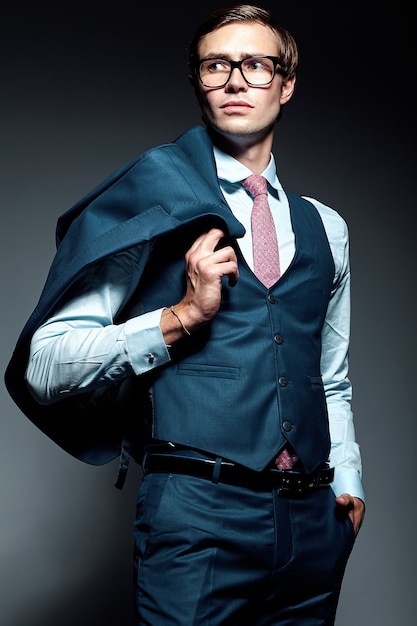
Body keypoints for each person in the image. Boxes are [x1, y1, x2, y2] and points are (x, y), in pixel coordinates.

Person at [5, 4, 365, 625]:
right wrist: (180, 317)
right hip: (198, 516)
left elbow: (329, 377)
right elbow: (45, 364)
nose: (234, 80)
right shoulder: (154, 199)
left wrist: (348, 486)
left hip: (312, 524)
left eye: (256, 64)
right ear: (198, 81)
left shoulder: (327, 228)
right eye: (216, 65)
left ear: (287, 83)